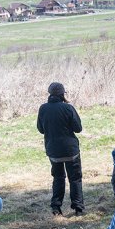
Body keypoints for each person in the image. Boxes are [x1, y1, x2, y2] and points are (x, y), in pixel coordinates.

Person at [37, 82, 84, 216]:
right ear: (63, 94)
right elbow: (78, 128)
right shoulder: (68, 108)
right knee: (75, 178)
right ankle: (78, 207)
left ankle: (56, 207)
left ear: (50, 94)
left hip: (53, 151)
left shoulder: (43, 109)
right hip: (71, 150)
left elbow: (40, 129)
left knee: (58, 178)